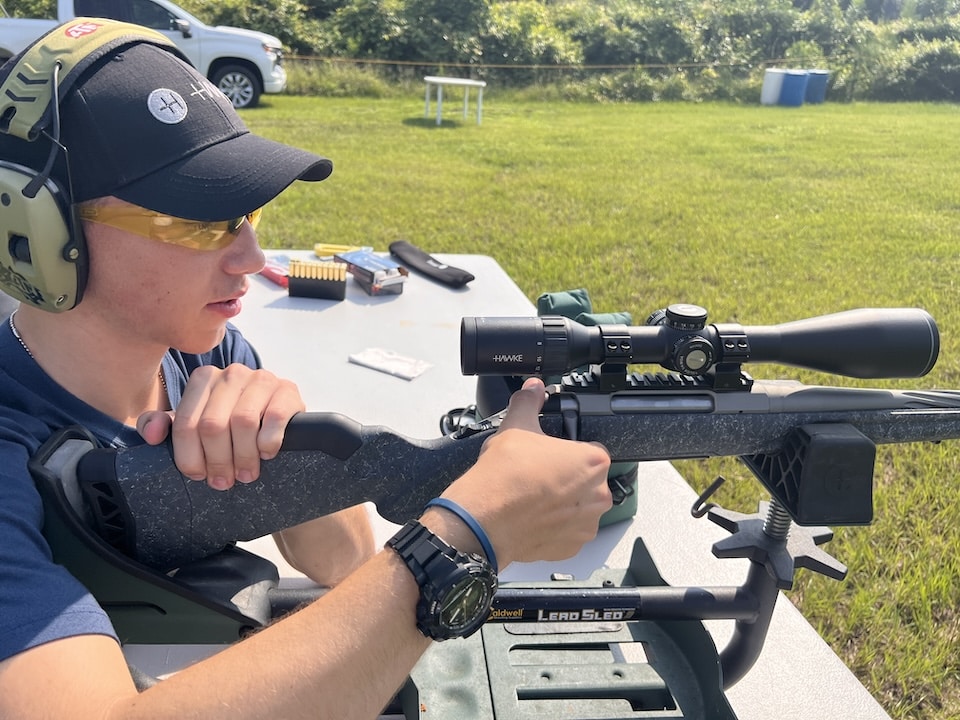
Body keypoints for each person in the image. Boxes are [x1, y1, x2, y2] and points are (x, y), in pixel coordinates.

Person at [0, 20, 613, 720]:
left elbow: (344, 562)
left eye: (249, 211)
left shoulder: (205, 352)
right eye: (199, 224)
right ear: (42, 231)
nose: (253, 260)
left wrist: (289, 449)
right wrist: (464, 540)